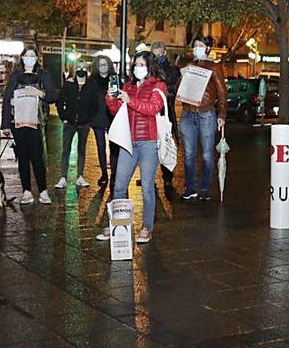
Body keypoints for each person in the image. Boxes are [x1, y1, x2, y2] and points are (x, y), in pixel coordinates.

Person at [98, 51, 168, 244]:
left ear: (150, 66)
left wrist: (130, 100)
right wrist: (111, 99)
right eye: (135, 64)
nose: (138, 67)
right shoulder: (128, 86)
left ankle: (147, 227)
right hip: (128, 141)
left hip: (148, 142)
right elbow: (116, 110)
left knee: (147, 186)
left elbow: (152, 108)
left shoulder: (158, 86)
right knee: (119, 185)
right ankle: (118, 224)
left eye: (141, 64)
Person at [1, 47, 57, 204]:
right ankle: (26, 190)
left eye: (33, 56)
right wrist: (5, 124)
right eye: (27, 56)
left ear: (37, 58)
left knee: (38, 156)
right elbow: (6, 99)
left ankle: (43, 190)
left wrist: (41, 94)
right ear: (22, 57)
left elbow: (53, 96)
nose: (29, 58)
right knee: (23, 157)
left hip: (37, 122)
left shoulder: (43, 75)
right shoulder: (15, 75)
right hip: (18, 122)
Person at [177, 35, 229, 201]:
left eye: (200, 46)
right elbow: (180, 89)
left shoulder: (215, 67)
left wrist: (222, 114)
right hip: (187, 113)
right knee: (189, 154)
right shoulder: (189, 66)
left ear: (207, 48)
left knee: (207, 154)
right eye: (195, 46)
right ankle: (190, 187)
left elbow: (222, 92)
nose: (196, 49)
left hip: (206, 113)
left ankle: (205, 188)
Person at [55, 63, 102, 189]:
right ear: (75, 70)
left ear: (87, 70)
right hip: (69, 123)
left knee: (82, 150)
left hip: (84, 124)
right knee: (66, 150)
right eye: (78, 68)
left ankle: (80, 176)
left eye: (84, 68)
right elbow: (60, 102)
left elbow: (95, 105)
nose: (81, 70)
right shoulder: (69, 85)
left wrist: (89, 119)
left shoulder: (91, 86)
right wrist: (63, 117)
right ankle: (63, 177)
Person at [151, 42, 181, 192]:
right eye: (155, 54)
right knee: (151, 147)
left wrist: (161, 87)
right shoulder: (150, 69)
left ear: (164, 52)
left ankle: (167, 178)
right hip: (151, 113)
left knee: (166, 144)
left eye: (160, 53)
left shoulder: (173, 69)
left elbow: (175, 88)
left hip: (166, 112)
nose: (158, 57)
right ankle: (149, 178)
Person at [92, 56, 115, 186]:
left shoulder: (114, 79)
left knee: (113, 148)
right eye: (101, 64)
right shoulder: (93, 81)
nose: (103, 66)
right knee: (100, 148)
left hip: (112, 117)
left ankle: (114, 175)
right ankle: (104, 174)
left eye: (105, 64)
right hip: (97, 119)